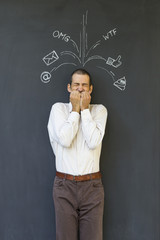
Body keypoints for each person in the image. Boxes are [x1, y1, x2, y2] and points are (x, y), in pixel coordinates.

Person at [47, 69, 108, 240]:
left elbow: (94, 141)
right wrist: (75, 111)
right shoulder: (58, 109)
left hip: (92, 186)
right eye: (76, 85)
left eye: (84, 85)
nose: (80, 89)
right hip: (64, 186)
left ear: (90, 89)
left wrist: (85, 111)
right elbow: (65, 139)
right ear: (69, 87)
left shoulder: (99, 111)